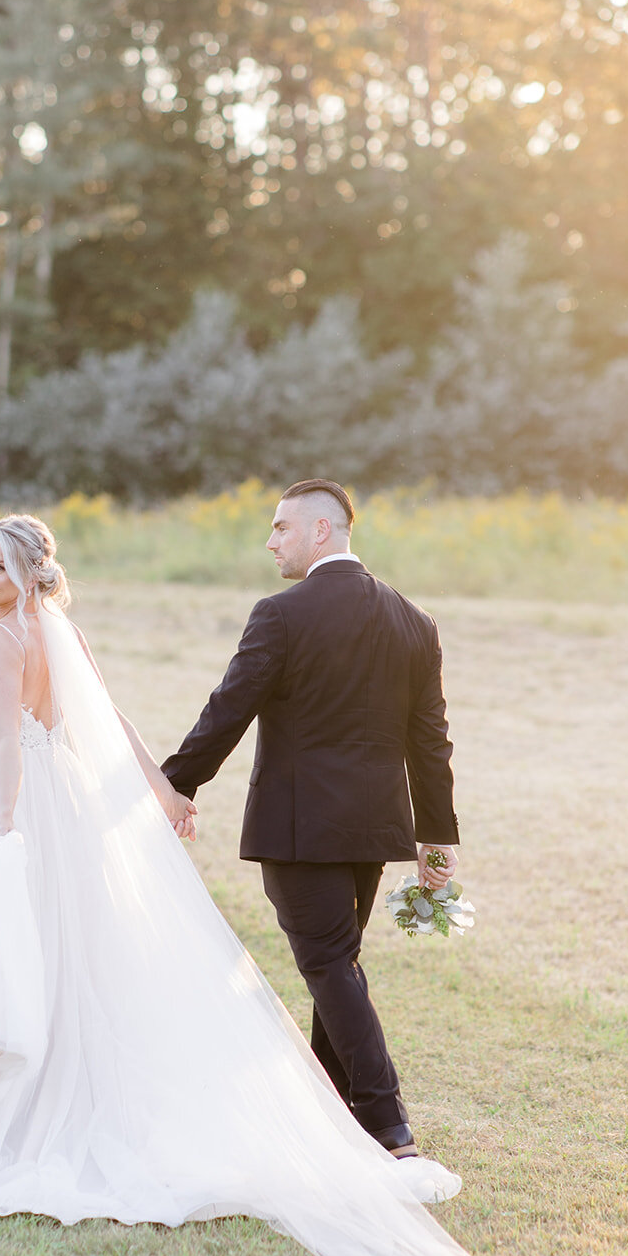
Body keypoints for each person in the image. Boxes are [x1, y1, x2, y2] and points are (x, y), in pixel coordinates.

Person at [0, 513, 473, 1256]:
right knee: (72, 952)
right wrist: (166, 793)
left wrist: (4, 831)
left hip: (29, 809)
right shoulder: (60, 631)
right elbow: (117, 722)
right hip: (106, 809)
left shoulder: (1, 640)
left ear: (27, 574)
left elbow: (17, 740)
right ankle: (335, 1115)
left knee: (5, 950)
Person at [162, 479, 459, 1164]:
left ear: (320, 532)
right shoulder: (414, 621)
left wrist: (173, 784)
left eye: (279, 529)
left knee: (328, 964)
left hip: (299, 828)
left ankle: (390, 1130)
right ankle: (331, 1114)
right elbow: (430, 743)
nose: (270, 542)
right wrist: (435, 840)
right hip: (372, 830)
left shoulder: (281, 615)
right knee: (338, 965)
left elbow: (226, 710)